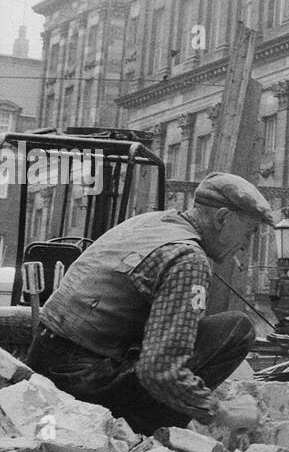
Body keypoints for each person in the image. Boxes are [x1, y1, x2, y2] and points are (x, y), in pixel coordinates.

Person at [27, 173, 273, 434]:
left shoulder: (150, 223)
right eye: (249, 232)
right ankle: (144, 439)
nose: (246, 246)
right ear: (223, 219)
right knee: (237, 330)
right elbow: (159, 370)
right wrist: (221, 411)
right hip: (84, 382)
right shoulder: (188, 259)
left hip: (43, 367)